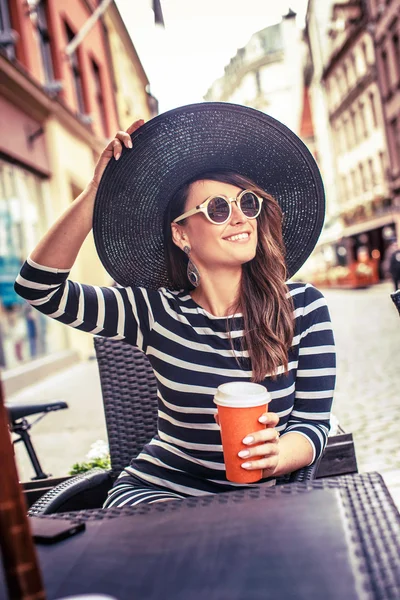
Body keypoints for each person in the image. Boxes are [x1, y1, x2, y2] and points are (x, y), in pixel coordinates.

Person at [15, 103, 336, 507]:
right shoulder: (153, 313)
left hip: (262, 506)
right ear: (181, 235)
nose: (240, 217)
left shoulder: (303, 307)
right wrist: (96, 194)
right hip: (159, 496)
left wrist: (276, 458)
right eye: (218, 209)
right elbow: (38, 287)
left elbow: (312, 425)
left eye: (247, 203)